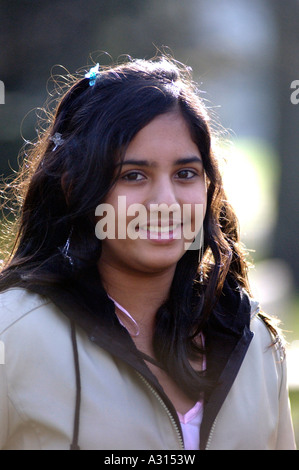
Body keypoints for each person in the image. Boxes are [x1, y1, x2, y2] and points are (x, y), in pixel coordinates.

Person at [0, 54, 296, 451]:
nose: (165, 202)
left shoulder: (255, 342)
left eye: (185, 174)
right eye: (133, 175)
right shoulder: (14, 335)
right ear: (73, 188)